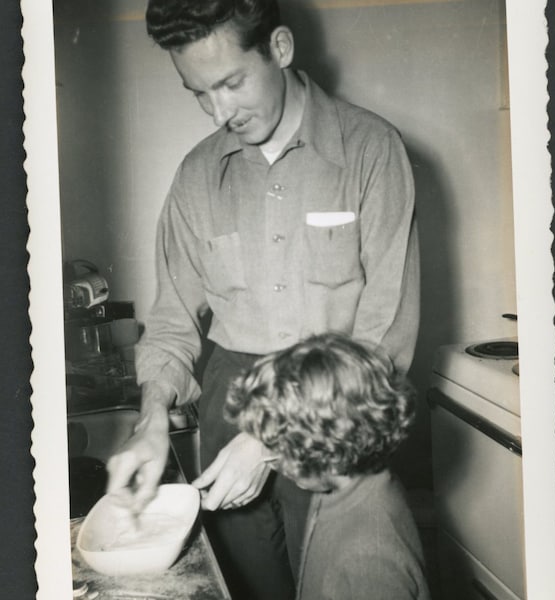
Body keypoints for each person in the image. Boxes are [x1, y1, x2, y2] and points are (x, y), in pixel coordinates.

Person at [106, 1, 420, 598]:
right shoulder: (196, 175)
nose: (219, 112)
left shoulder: (372, 150)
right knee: (241, 587)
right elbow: (174, 320)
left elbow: (384, 339)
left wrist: (278, 437)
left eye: (230, 83)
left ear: (279, 48)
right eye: (199, 92)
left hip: (336, 415)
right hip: (229, 402)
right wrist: (151, 421)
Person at [225, 332, 431, 600]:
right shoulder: (345, 485)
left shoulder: (369, 561)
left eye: (278, 450)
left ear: (321, 453)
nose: (273, 463)